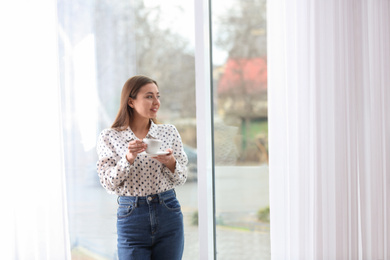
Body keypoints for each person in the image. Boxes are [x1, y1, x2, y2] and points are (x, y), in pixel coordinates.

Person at [96, 75, 188, 260]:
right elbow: (109, 183)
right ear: (131, 101)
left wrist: (170, 162)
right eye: (149, 96)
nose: (156, 102)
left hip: (168, 211)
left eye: (157, 96)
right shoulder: (109, 136)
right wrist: (128, 158)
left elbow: (181, 177)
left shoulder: (168, 132)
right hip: (131, 216)